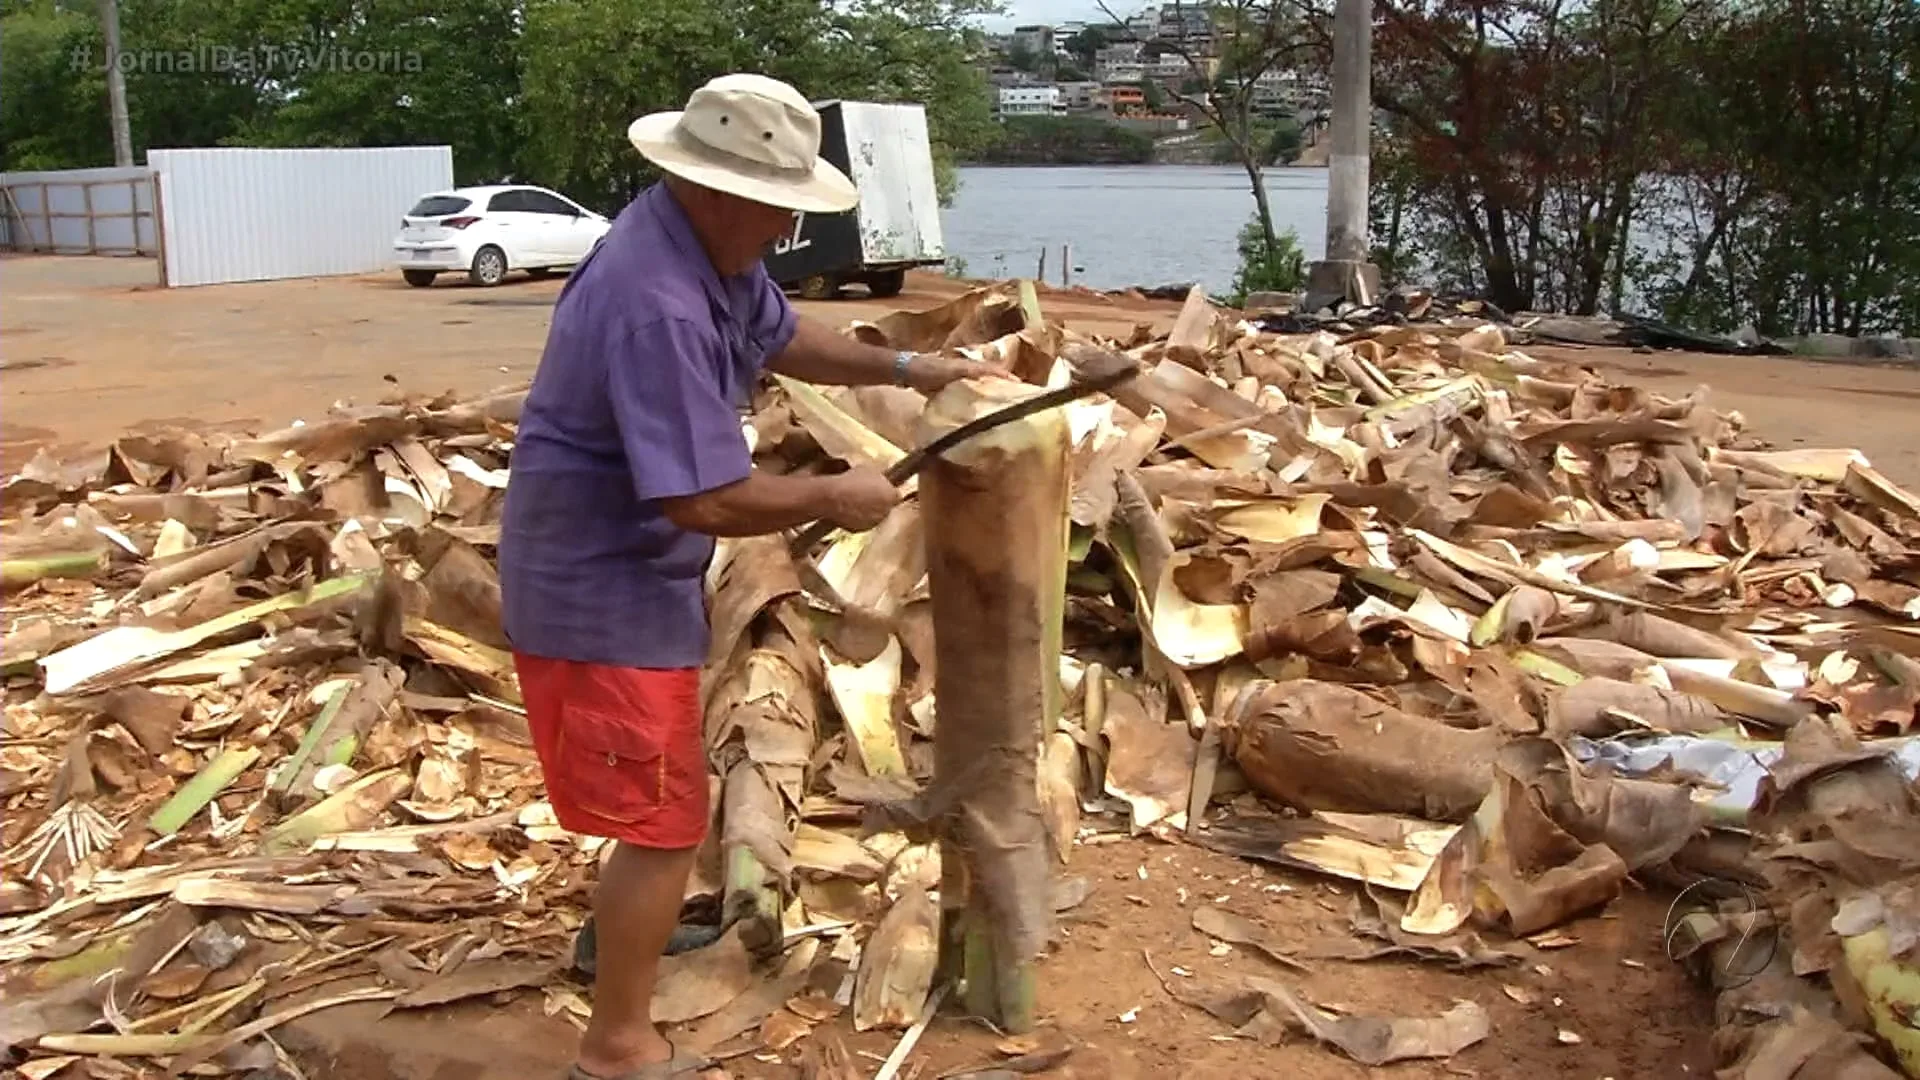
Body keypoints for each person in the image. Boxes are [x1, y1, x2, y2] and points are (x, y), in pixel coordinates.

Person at [499, 74, 992, 1080]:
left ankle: (617, 948)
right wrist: (834, 497)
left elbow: (785, 334)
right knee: (665, 821)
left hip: (631, 571)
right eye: (779, 207)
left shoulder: (702, 248)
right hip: (599, 589)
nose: (785, 228)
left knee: (655, 806)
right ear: (718, 190)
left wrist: (908, 370)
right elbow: (703, 499)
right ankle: (617, 1043)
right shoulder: (660, 304)